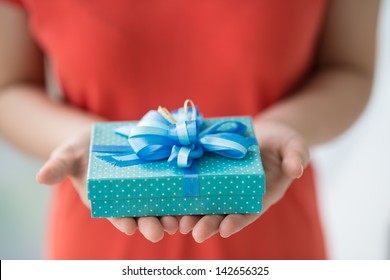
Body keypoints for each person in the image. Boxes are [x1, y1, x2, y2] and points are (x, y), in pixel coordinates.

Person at [0, 0, 378, 259]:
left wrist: (284, 127)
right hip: (98, 240)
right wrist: (92, 143)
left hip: (273, 231)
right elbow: (9, 89)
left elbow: (348, 69)